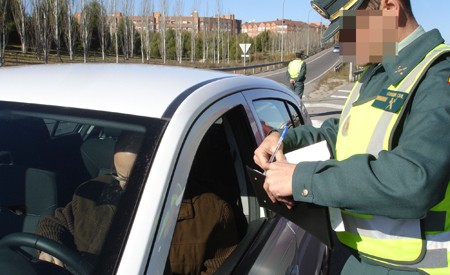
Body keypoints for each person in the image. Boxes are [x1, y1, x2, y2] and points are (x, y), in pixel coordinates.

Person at [254, 0, 450, 274]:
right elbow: (342, 133)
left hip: (411, 267)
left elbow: (414, 179)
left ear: (390, 8)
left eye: (350, 29)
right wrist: (286, 138)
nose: (343, 42)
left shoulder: (438, 75)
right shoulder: (375, 75)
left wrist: (301, 179)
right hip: (353, 253)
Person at [36, 130, 239, 274]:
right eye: (120, 177)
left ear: (166, 169)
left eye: (135, 179)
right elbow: (55, 223)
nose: (125, 187)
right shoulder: (91, 193)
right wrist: (49, 244)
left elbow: (223, 268)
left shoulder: (212, 213)